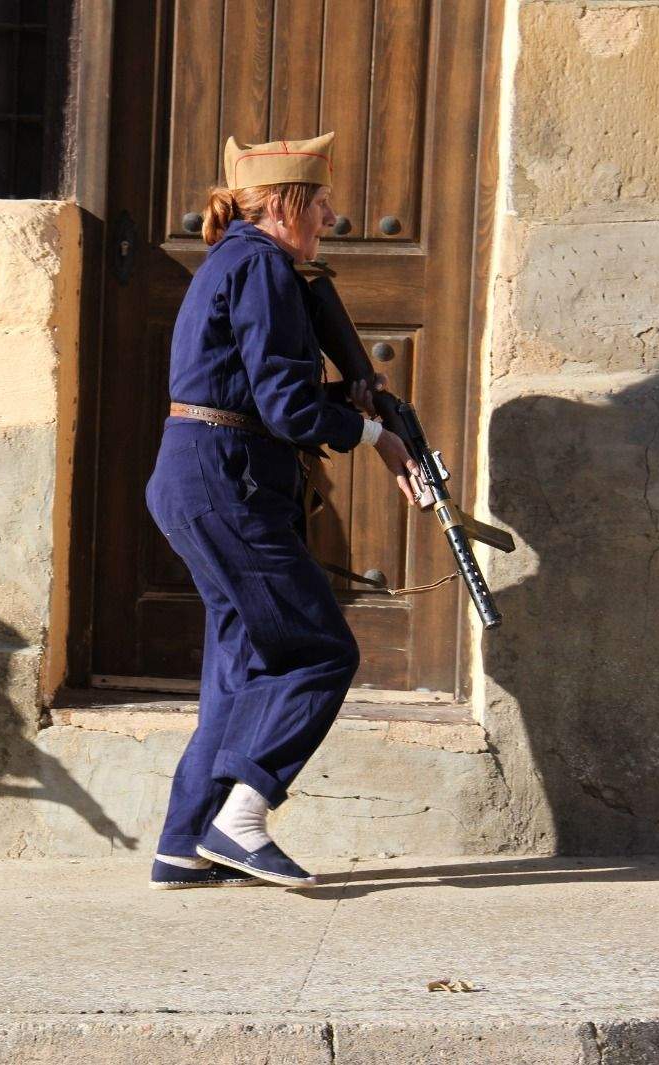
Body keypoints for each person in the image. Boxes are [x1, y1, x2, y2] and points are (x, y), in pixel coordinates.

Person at [144, 134, 420, 889]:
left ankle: (182, 846)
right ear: (287, 202)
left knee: (241, 668)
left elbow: (261, 396)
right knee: (319, 651)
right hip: (229, 483)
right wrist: (371, 434)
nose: (332, 214)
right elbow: (287, 407)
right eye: (321, 200)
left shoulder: (239, 263)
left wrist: (368, 413)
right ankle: (241, 819)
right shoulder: (262, 267)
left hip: (204, 476)